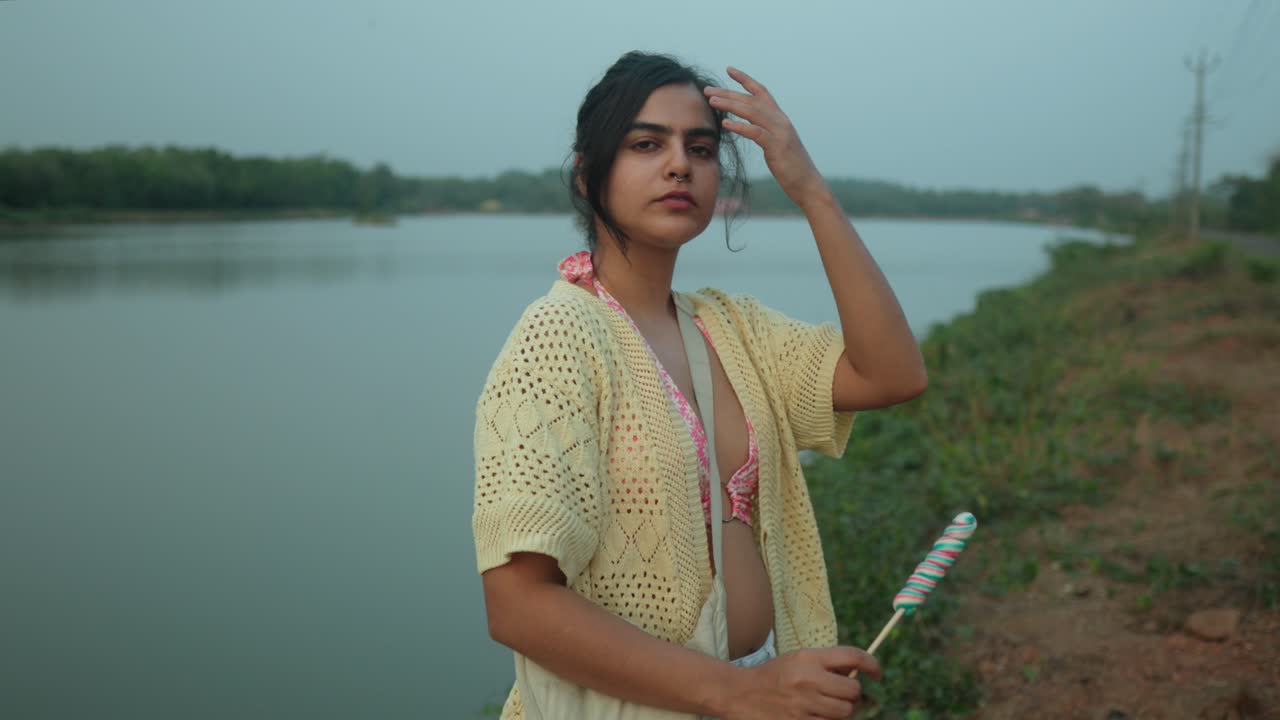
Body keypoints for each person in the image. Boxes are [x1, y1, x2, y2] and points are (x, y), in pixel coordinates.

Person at [472, 51, 927, 720]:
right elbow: (517, 605)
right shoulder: (560, 337)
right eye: (645, 144)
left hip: (754, 691)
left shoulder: (732, 327)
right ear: (586, 173)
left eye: (702, 147)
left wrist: (812, 191)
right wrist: (739, 692)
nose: (680, 164)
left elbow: (892, 373)